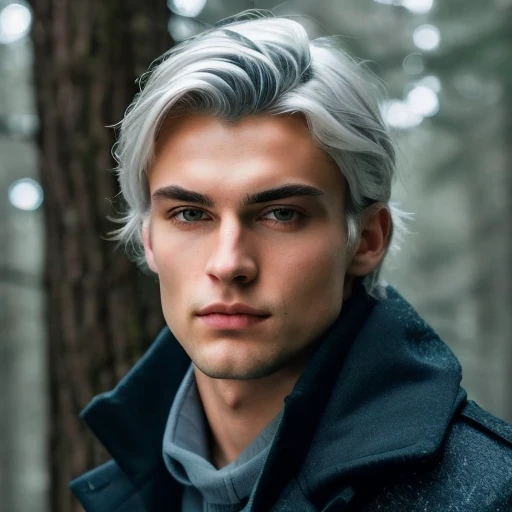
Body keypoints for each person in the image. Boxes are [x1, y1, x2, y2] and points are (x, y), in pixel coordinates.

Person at [70, 10, 512, 512]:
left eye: (281, 214)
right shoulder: (125, 488)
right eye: (191, 214)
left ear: (367, 239)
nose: (229, 262)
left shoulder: (489, 491)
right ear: (149, 239)